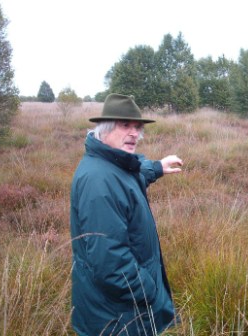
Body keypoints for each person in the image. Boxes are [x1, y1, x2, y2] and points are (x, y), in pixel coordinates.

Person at [70, 93, 183, 335]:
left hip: (121, 309)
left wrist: (157, 168)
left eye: (138, 127)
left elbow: (131, 177)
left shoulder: (113, 165)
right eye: (125, 125)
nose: (134, 133)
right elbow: (110, 263)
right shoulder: (99, 181)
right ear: (106, 129)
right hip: (117, 316)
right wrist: (149, 291)